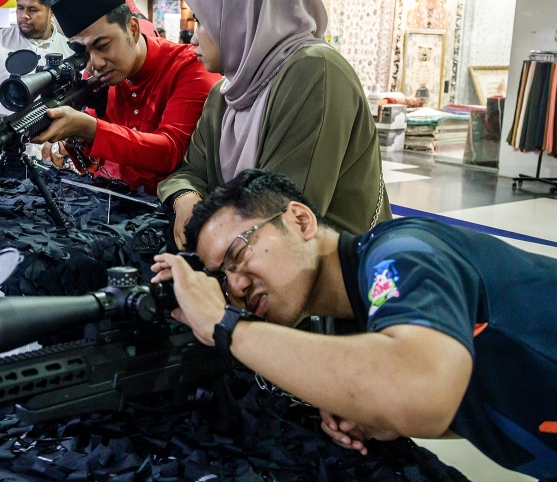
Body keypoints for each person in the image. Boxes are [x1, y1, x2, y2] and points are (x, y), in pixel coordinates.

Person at [153, 169, 557, 480]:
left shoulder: (400, 254)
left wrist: (227, 327)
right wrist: (381, 412)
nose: (236, 285)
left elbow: (421, 387)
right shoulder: (356, 313)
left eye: (239, 254)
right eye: (221, 278)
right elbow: (488, 387)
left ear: (300, 220)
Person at [158, 0, 388, 249]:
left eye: (203, 21)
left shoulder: (314, 70)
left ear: (240, 19)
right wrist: (185, 197)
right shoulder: (226, 93)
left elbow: (286, 206)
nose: (193, 37)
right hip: (260, 260)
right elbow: (190, 172)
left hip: (332, 271)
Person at [34, 0, 219, 194]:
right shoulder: (98, 80)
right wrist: (72, 138)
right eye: (84, 54)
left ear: (133, 28)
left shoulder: (189, 66)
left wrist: (87, 127)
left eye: (102, 46)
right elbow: (93, 164)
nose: (96, 64)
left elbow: (170, 152)